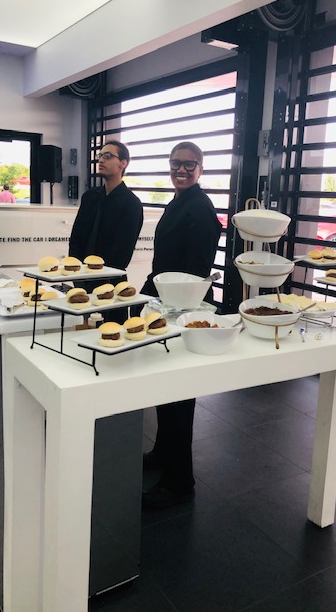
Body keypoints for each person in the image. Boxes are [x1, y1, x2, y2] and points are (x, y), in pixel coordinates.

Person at [141, 141, 222, 510]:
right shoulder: (178, 202)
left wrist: (170, 304)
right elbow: (164, 261)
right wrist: (145, 294)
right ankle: (163, 452)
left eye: (189, 165)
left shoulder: (201, 209)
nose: (182, 170)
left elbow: (197, 272)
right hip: (166, 304)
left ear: (201, 169)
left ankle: (179, 481)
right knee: (164, 390)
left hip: (182, 311)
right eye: (176, 164)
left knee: (178, 397)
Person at [69, 140, 143, 270]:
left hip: (111, 279)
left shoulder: (131, 204)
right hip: (81, 275)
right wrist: (76, 268)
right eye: (100, 156)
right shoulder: (89, 197)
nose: (101, 160)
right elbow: (76, 237)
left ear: (123, 163)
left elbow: (122, 251)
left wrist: (99, 272)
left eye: (108, 156)